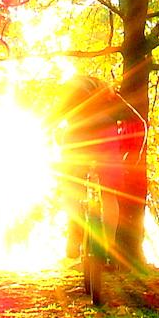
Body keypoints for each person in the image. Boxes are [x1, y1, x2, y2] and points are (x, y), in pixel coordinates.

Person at [57, 76, 147, 265]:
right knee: (108, 194)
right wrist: (133, 154)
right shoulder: (111, 96)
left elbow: (53, 120)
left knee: (70, 186)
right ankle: (110, 248)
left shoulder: (69, 93)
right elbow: (139, 124)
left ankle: (74, 233)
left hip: (77, 135)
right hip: (106, 138)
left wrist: (60, 143)